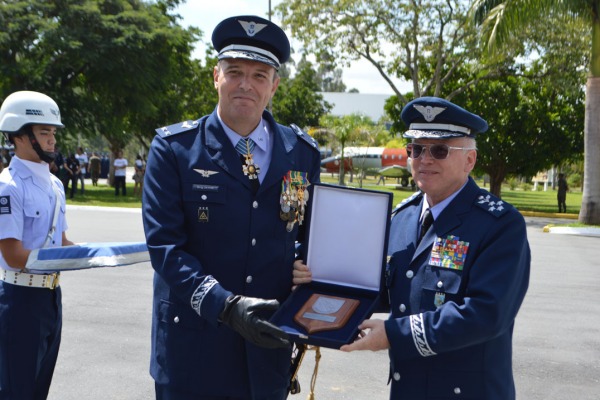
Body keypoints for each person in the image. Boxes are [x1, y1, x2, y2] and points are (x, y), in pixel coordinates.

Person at [142, 15, 321, 400]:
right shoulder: (174, 149)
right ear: (216, 77)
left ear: (274, 85)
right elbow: (166, 250)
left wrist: (311, 274)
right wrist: (225, 306)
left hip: (267, 349)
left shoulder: (301, 153)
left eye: (259, 75)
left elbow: (312, 239)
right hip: (194, 346)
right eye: (235, 71)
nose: (245, 84)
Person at [314, 97, 530, 400]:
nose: (425, 159)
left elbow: (486, 314)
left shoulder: (500, 225)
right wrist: (316, 282)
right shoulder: (402, 218)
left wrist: (393, 335)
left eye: (440, 150)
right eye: (416, 148)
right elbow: (378, 289)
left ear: (470, 160)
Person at [0, 90, 74, 399]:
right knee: (17, 391)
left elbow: (63, 241)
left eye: (53, 133)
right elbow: (13, 255)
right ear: (19, 136)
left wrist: (99, 254)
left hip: (49, 298)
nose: (52, 140)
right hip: (20, 301)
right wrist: (63, 257)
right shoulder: (8, 186)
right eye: (44, 133)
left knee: (38, 389)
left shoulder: (55, 184)